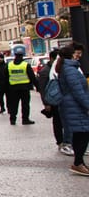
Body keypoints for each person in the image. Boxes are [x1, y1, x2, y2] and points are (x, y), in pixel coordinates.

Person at [53, 45, 89, 176]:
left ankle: (79, 163)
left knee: (81, 133)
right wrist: (87, 105)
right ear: (71, 55)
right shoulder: (70, 69)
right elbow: (77, 90)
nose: (78, 55)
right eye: (76, 53)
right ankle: (78, 163)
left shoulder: (67, 68)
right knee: (83, 133)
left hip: (72, 105)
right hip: (75, 105)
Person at [38, 49, 72, 155]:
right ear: (52, 59)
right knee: (57, 121)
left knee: (64, 121)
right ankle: (60, 141)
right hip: (54, 100)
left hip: (62, 99)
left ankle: (66, 141)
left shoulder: (60, 69)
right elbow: (42, 89)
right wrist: (46, 103)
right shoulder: (45, 71)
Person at [5, 45, 38, 125]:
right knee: (25, 105)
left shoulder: (9, 65)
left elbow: (6, 77)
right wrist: (38, 87)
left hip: (13, 88)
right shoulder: (25, 65)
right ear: (22, 56)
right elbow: (32, 77)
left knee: (14, 105)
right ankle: (25, 119)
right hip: (24, 88)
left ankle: (12, 120)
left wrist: (7, 88)